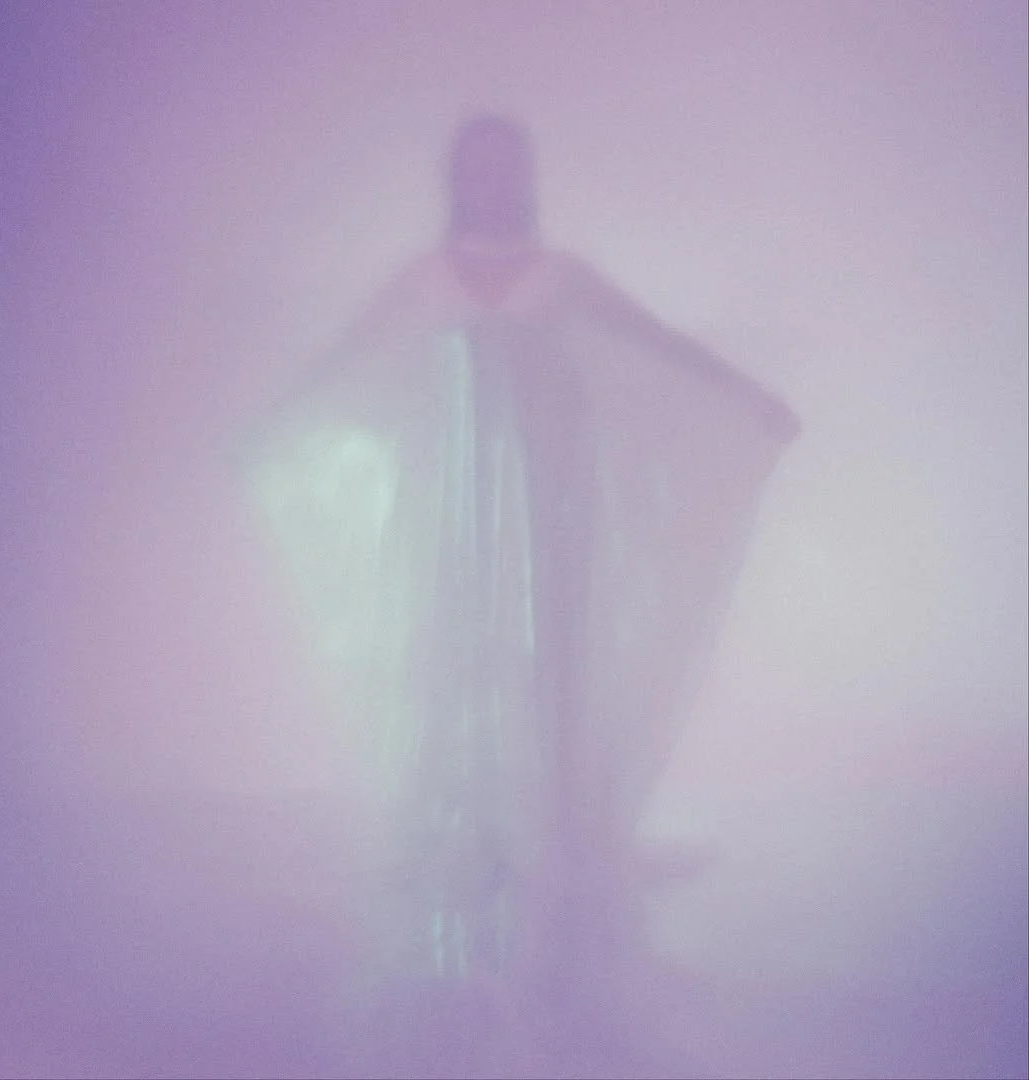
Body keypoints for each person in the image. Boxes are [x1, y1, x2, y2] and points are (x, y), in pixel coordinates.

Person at [243, 114, 798, 1075]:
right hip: (453, 506)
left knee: (550, 661)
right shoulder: (427, 276)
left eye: (505, 166)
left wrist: (748, 396)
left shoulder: (561, 275)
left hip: (549, 499)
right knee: (457, 656)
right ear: (455, 177)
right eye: (476, 166)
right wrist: (279, 420)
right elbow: (350, 356)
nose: (491, 181)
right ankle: (463, 836)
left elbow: (652, 342)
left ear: (523, 177)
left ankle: (560, 840)